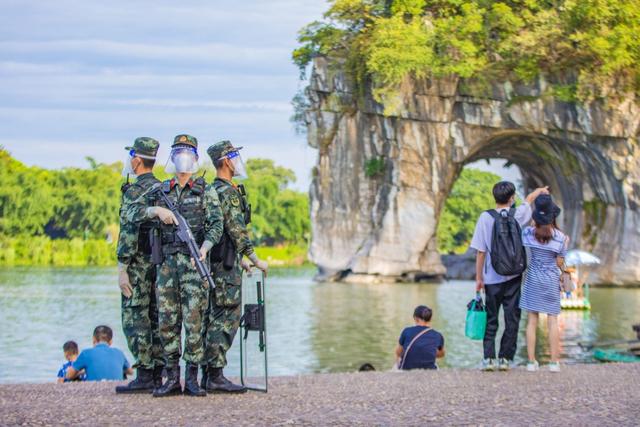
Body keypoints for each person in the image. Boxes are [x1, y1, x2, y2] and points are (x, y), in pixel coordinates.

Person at [141, 134, 223, 397]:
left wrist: (204, 248)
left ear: (196, 158)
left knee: (194, 321)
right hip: (166, 265)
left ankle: (193, 379)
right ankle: (171, 378)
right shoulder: (161, 190)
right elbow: (136, 213)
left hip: (193, 263)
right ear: (172, 156)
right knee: (167, 321)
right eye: (178, 152)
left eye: (187, 152)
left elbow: (216, 225)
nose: (183, 157)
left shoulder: (205, 190)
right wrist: (155, 212)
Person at [201, 140, 268, 393]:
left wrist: (239, 258)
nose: (238, 160)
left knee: (214, 315)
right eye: (234, 156)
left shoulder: (213, 189)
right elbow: (236, 229)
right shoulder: (227, 192)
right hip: (224, 268)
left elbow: (223, 233)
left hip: (221, 261)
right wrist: (254, 257)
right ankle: (215, 375)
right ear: (226, 161)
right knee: (225, 317)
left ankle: (210, 373)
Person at [470, 181, 549, 371]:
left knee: (491, 318)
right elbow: (529, 200)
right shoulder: (519, 214)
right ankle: (505, 359)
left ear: (494, 197)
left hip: (491, 278)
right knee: (512, 319)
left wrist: (479, 278)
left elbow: (481, 251)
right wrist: (539, 191)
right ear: (512, 198)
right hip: (514, 276)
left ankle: (489, 359)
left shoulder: (485, 217)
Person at [115, 137, 165, 394]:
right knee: (156, 316)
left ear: (136, 159)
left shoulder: (136, 191)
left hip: (138, 264)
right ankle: (158, 372)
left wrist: (122, 267)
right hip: (160, 264)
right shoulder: (163, 189)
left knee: (135, 317)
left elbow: (128, 230)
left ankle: (145, 374)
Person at [520, 194, 568, 373]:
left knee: (532, 321)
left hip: (533, 279)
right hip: (550, 281)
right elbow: (559, 263)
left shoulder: (527, 233)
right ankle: (554, 363)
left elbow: (529, 238)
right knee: (552, 321)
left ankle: (532, 362)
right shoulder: (561, 238)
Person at [66, 326, 133, 381]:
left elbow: (68, 376)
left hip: (95, 392)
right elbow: (130, 372)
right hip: (115, 390)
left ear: (94, 339)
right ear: (111, 341)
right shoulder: (119, 353)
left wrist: (82, 372)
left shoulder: (86, 353)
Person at [395, 305, 445, 370]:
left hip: (407, 370)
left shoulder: (406, 331)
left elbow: (398, 352)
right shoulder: (438, 335)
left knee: (397, 360)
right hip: (429, 371)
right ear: (430, 319)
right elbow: (441, 354)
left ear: (416, 318)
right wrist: (428, 351)